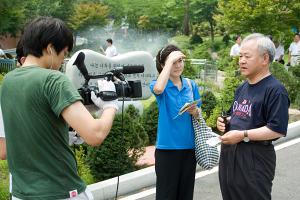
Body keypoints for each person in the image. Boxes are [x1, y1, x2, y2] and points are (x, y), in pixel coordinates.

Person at [1, 16, 119, 200]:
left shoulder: (9, 81)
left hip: (22, 193)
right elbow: (95, 135)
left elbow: (36, 121)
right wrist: (111, 104)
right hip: (60, 191)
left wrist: (77, 118)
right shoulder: (53, 79)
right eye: (63, 53)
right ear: (49, 48)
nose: (63, 61)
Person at [217, 33, 290, 200]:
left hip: (254, 160)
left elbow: (277, 129)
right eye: (240, 56)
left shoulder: (275, 90)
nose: (241, 60)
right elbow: (235, 115)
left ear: (265, 59)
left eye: (247, 56)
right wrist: (225, 122)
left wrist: (243, 135)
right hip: (230, 158)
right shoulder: (242, 87)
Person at [150, 44, 201, 200]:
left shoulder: (191, 85)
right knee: (166, 195)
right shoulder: (159, 85)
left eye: (180, 61)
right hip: (167, 151)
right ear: (163, 65)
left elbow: (199, 114)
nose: (178, 65)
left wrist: (195, 111)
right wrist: (168, 61)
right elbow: (158, 89)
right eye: (173, 62)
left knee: (185, 195)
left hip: (189, 149)